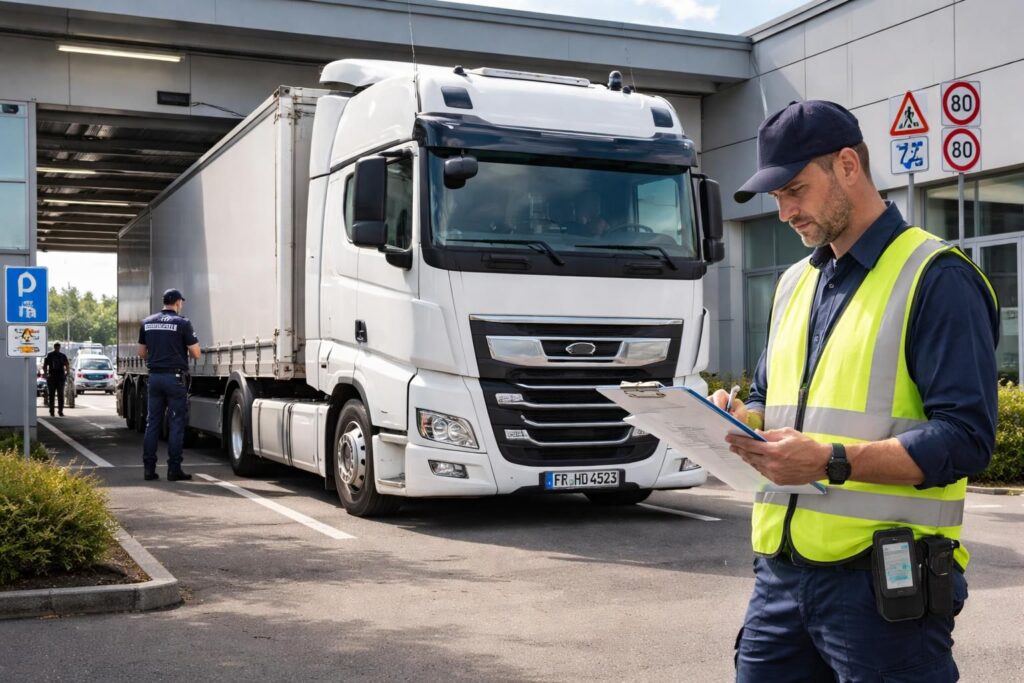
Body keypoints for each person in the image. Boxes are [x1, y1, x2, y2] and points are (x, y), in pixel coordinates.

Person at [711, 100, 998, 682]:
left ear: (847, 165)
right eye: (776, 197)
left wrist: (830, 460)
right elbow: (768, 394)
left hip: (882, 591)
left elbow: (967, 439)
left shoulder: (936, 277)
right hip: (781, 578)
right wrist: (744, 416)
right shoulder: (794, 284)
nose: (785, 212)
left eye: (795, 190)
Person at [138, 288, 201, 481]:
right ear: (177, 302)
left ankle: (149, 470)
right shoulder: (182, 323)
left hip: (154, 378)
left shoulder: (147, 322)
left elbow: (141, 353)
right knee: (176, 424)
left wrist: (157, 357)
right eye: (181, 302)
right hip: (174, 379)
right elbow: (196, 353)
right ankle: (174, 469)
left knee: (152, 424)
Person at [42, 342, 70, 417]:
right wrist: (67, 373)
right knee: (60, 395)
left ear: (54, 347)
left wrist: (46, 374)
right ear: (58, 347)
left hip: (53, 377)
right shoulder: (62, 355)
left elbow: (45, 366)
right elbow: (67, 365)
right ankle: (59, 411)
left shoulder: (49, 355)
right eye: (57, 347)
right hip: (59, 377)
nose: (57, 348)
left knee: (52, 395)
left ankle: (52, 411)